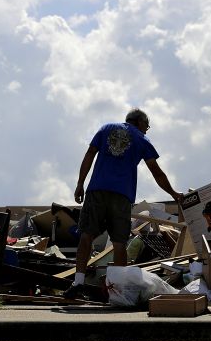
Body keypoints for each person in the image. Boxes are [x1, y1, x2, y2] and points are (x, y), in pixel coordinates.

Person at [64, 108, 183, 299]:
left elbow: (89, 154)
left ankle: (78, 283)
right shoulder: (142, 140)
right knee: (119, 243)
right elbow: (157, 172)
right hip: (122, 196)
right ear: (139, 122)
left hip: (97, 190)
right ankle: (117, 291)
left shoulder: (105, 129)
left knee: (86, 235)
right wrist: (174, 194)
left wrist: (80, 184)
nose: (147, 129)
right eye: (147, 125)